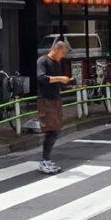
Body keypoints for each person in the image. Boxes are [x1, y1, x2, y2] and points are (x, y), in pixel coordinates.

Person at [35, 40, 72, 175]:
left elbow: (57, 82)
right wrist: (60, 78)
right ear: (56, 49)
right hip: (45, 99)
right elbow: (42, 78)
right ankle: (44, 160)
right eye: (62, 53)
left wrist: (68, 83)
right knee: (52, 130)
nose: (62, 57)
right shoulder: (42, 61)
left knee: (56, 129)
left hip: (55, 98)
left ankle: (46, 160)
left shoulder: (57, 63)